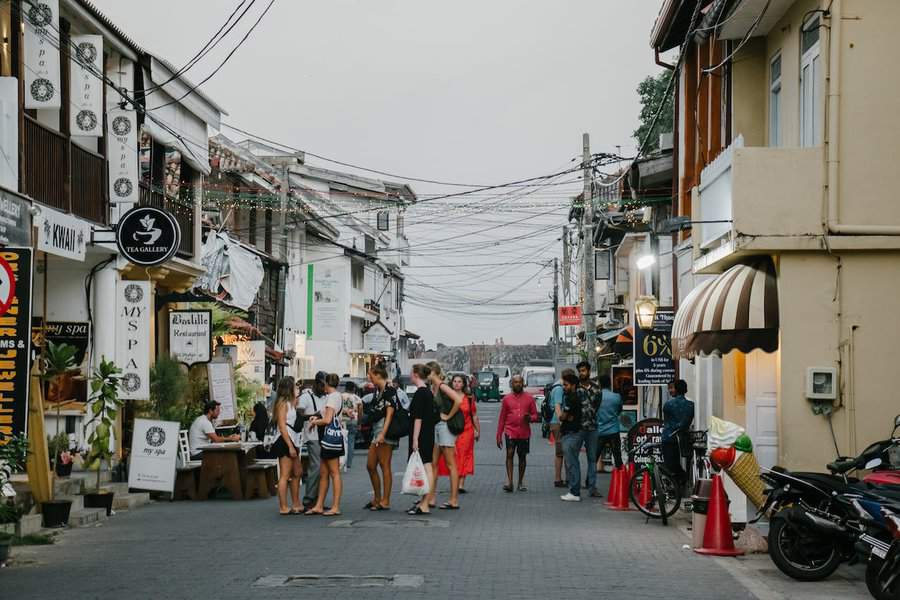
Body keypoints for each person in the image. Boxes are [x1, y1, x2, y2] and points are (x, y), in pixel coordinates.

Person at [424, 361, 463, 510]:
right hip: (437, 427)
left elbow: (458, 400)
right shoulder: (434, 388)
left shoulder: (442, 386)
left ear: (432, 372)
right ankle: (431, 497)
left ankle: (453, 500)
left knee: (450, 463)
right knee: (433, 463)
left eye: (426, 373)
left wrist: (448, 416)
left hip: (445, 427)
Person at [305, 373, 344, 516]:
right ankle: (319, 505)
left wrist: (314, 422)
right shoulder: (334, 396)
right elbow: (327, 415)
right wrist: (317, 417)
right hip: (327, 439)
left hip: (330, 440)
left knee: (334, 473)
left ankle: (335, 506)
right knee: (324, 473)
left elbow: (327, 420)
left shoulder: (333, 397)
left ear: (327, 384)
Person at [558, 369, 599, 502]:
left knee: (572, 463)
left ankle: (574, 492)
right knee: (574, 462)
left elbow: (563, 416)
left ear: (573, 385)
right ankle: (577, 490)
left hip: (572, 433)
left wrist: (561, 415)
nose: (564, 387)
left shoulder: (572, 398)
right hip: (578, 430)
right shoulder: (576, 396)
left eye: (566, 385)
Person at [496, 374, 538, 493]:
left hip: (524, 432)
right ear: (511, 384)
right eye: (515, 382)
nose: (518, 384)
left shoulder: (529, 398)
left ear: (523, 383)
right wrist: (498, 435)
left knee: (522, 456)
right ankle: (510, 482)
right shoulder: (506, 399)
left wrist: (530, 418)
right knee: (509, 453)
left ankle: (520, 482)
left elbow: (535, 415)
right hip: (510, 431)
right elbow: (502, 418)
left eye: (520, 382)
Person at [438, 374, 480, 493]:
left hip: (467, 430)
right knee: (453, 456)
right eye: (455, 381)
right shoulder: (448, 397)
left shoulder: (469, 398)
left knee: (464, 455)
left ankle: (461, 484)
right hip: (452, 429)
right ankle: (455, 481)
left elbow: (474, 415)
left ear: (463, 384)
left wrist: (477, 430)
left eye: (459, 382)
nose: (457, 383)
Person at [365, 365, 398, 511]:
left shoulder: (389, 390)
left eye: (370, 374)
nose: (369, 377)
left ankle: (385, 500)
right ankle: (377, 498)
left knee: (385, 465)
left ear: (378, 375)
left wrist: (383, 434)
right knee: (370, 465)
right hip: (377, 432)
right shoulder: (379, 391)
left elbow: (390, 413)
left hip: (385, 433)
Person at [408, 364, 438, 515]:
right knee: (426, 467)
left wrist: (415, 439)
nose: (409, 375)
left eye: (411, 373)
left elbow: (417, 418)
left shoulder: (421, 393)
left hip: (422, 434)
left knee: (426, 467)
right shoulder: (427, 392)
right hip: (428, 433)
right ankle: (423, 501)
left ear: (416, 374)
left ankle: (425, 503)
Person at [271, 378, 302, 515]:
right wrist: (290, 446)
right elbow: (282, 426)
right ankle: (283, 506)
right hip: (285, 440)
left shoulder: (290, 403)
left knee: (297, 472)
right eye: (294, 386)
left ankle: (296, 503)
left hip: (292, 440)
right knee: (285, 475)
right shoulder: (282, 403)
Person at [298, 372, 327, 510]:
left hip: (324, 436)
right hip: (312, 436)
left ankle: (318, 500)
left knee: (323, 469)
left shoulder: (326, 397)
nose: (324, 388)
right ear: (316, 383)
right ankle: (309, 499)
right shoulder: (306, 397)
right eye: (322, 385)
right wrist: (313, 416)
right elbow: (299, 414)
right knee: (315, 467)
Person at [593, 374, 623, 489]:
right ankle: (621, 480)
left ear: (599, 383)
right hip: (613, 431)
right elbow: (619, 410)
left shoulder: (597, 396)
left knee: (594, 457)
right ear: (610, 383)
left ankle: (589, 481)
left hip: (600, 431)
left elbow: (593, 412)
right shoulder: (616, 397)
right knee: (617, 456)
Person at [663, 379, 695, 485]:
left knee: (670, 464)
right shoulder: (691, 405)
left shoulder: (668, 405)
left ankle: (675, 483)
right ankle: (683, 480)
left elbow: (667, 422)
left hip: (670, 437)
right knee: (684, 461)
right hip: (684, 438)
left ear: (676, 389)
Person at [547, 379, 567, 488]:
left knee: (562, 452)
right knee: (560, 452)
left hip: (556, 423)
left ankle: (564, 478)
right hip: (558, 423)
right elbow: (557, 406)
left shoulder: (555, 387)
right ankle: (558, 479)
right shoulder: (559, 389)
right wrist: (561, 421)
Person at [341, 381, 362, 471]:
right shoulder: (357, 398)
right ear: (353, 389)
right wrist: (359, 423)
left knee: (341, 442)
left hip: (342, 421)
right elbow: (360, 412)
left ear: (345, 388)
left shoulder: (340, 396)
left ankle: (341, 462)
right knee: (350, 442)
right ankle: (348, 463)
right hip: (353, 421)